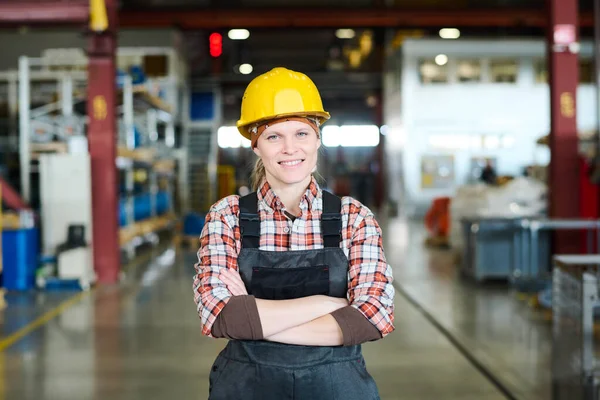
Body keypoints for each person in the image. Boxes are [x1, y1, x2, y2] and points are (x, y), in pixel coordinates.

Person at [193, 67, 395, 400]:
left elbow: (371, 320)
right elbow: (222, 318)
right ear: (256, 146)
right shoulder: (227, 216)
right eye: (274, 136)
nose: (290, 148)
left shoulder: (354, 218)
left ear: (317, 139)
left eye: (301, 133)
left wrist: (253, 315)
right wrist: (328, 304)